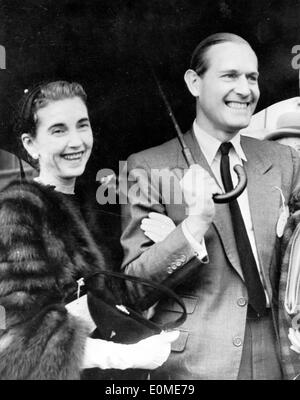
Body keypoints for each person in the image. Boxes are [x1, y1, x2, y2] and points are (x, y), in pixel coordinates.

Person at [120, 33, 300, 379]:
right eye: (230, 76)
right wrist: (191, 228)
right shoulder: (148, 167)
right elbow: (134, 288)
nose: (246, 89)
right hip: (192, 364)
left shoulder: (285, 161)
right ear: (194, 82)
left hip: (277, 356)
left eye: (252, 77)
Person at [0, 80, 178, 380]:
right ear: (31, 144)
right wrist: (128, 356)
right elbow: (26, 338)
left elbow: (124, 294)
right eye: (59, 130)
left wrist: (176, 241)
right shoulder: (19, 211)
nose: (77, 141)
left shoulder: (93, 205)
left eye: (82, 126)